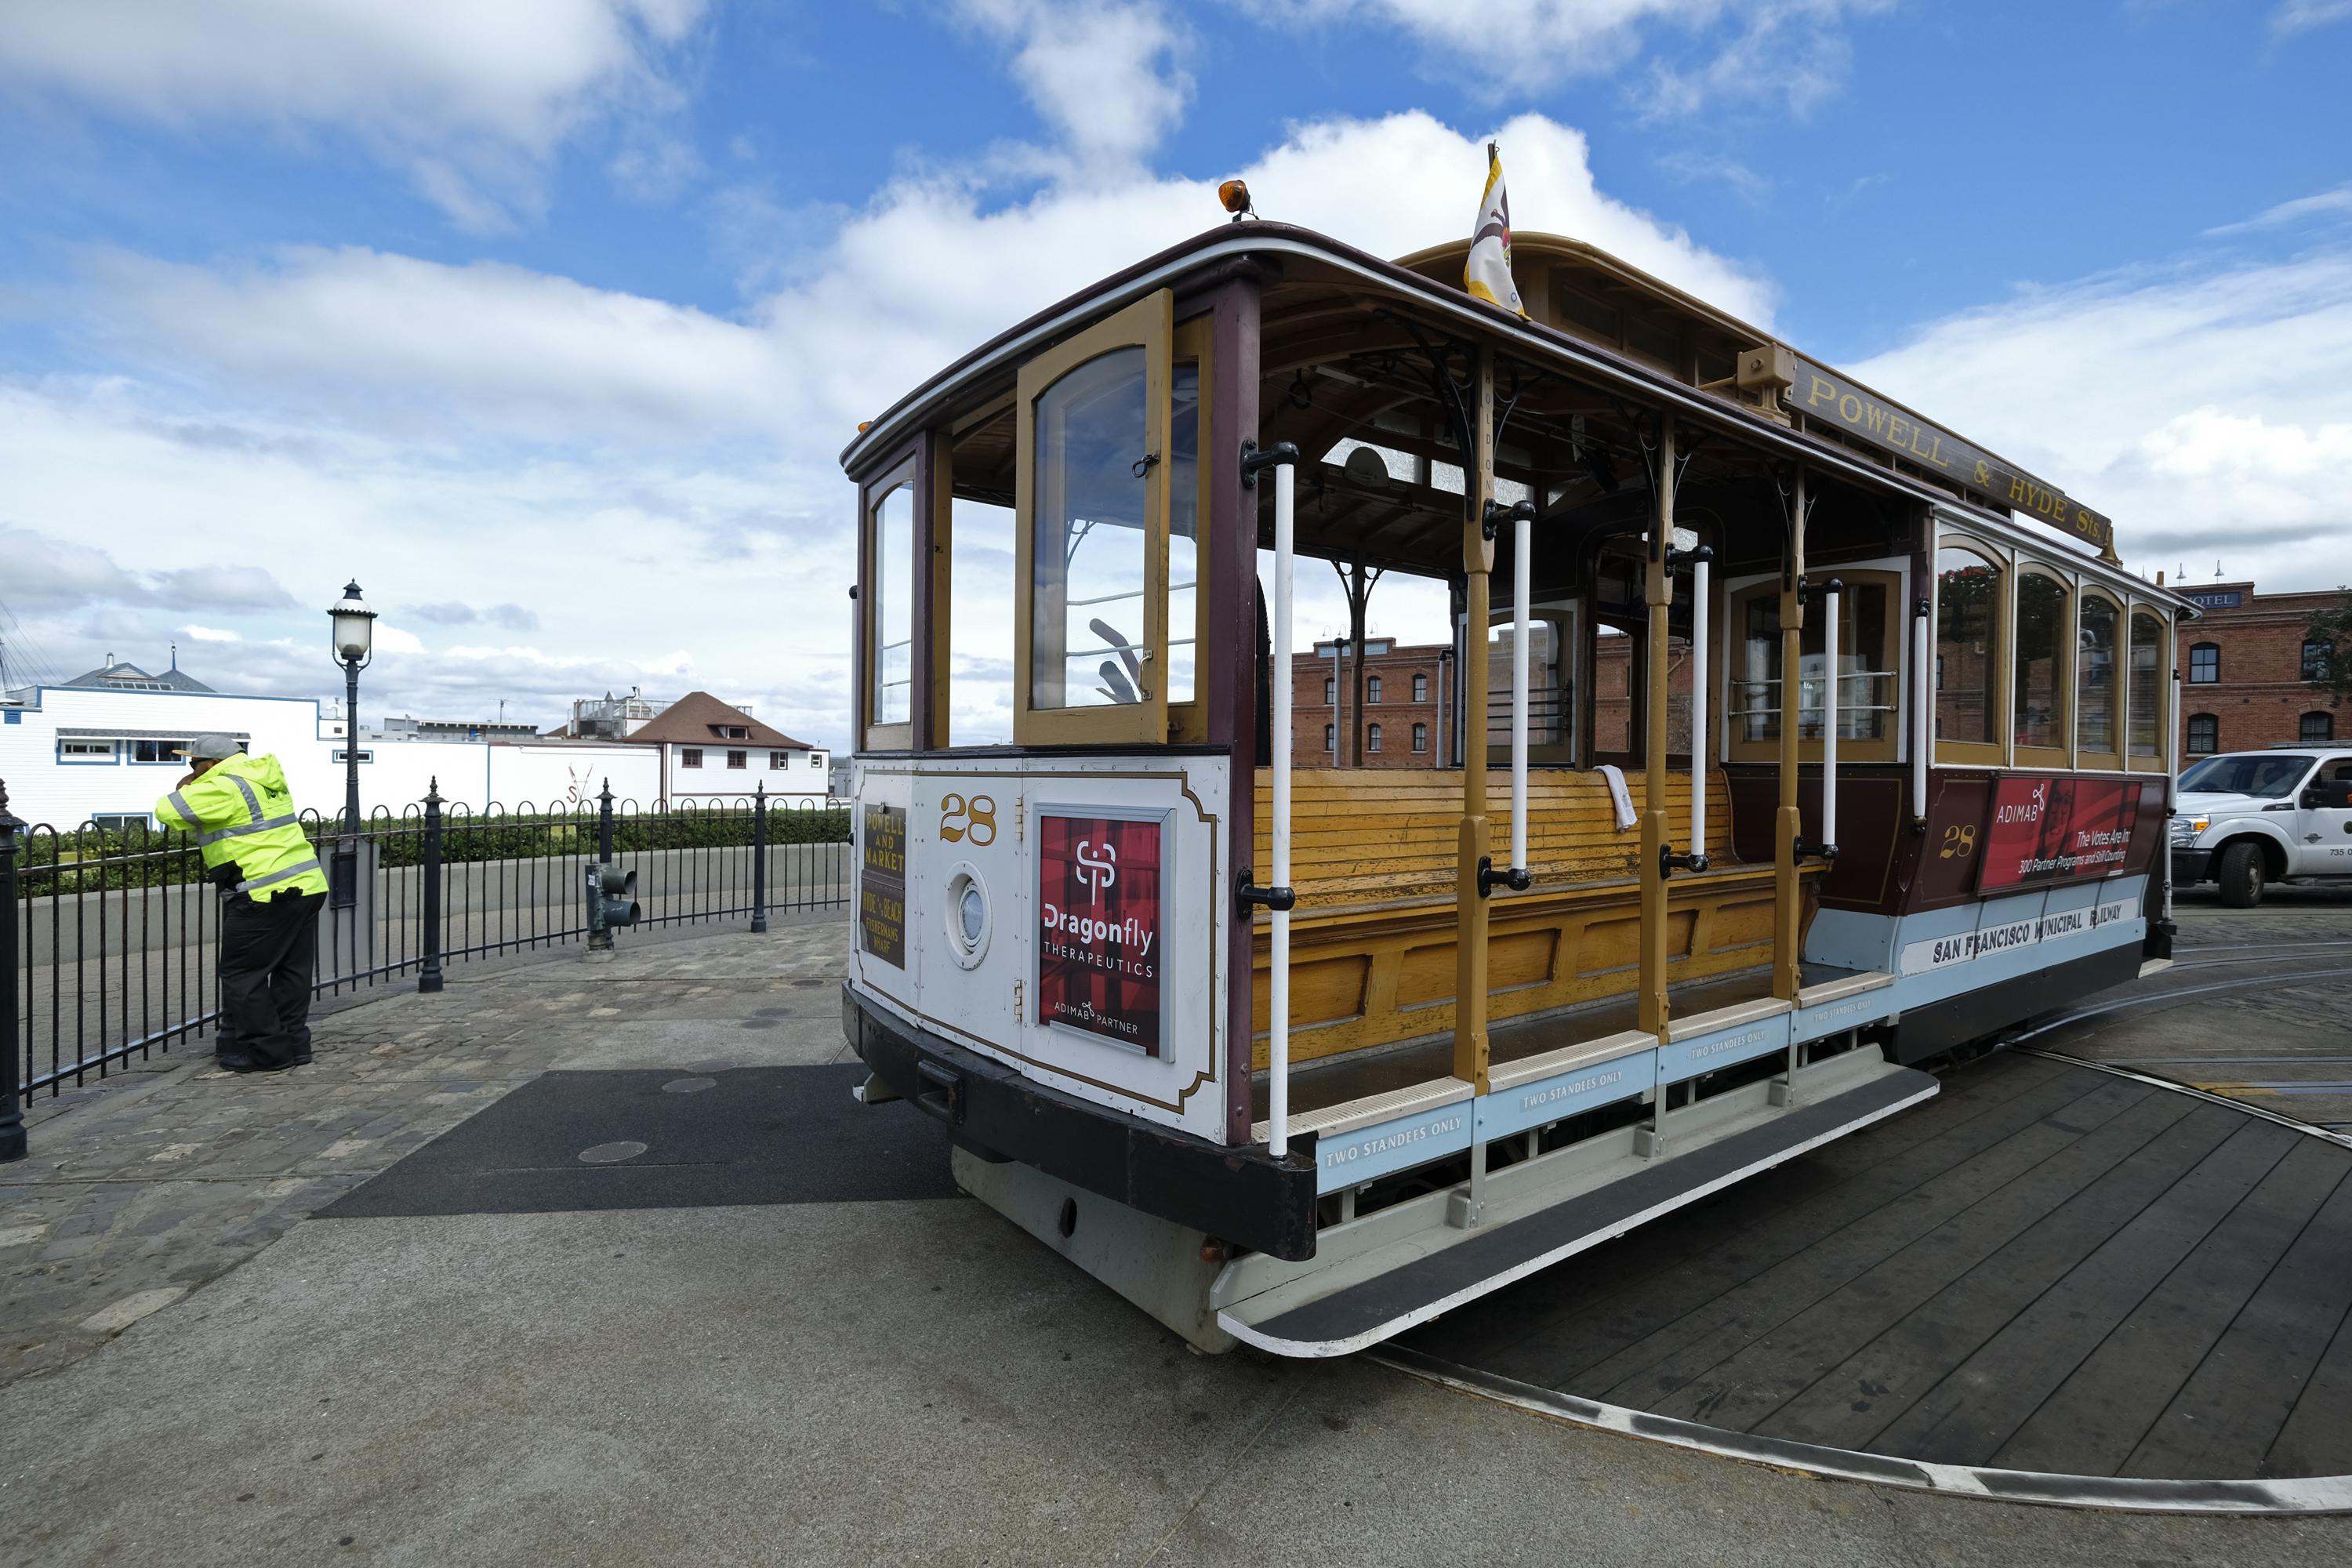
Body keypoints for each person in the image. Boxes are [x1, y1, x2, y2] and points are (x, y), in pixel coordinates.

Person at [154, 735, 330, 1073]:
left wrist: (187, 784)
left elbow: (167, 810)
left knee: (241, 974)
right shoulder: (264, 778)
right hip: (307, 884)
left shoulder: (224, 786)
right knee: (291, 970)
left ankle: (267, 1050)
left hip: (263, 891)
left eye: (194, 763)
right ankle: (295, 1043)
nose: (191, 769)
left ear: (212, 763)